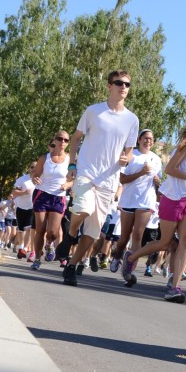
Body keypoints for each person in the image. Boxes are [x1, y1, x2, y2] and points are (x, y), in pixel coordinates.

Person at [58, 70, 139, 286]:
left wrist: (126, 158)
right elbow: (75, 139)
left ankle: (72, 266)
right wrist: (72, 164)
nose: (124, 87)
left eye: (127, 84)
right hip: (86, 171)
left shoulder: (132, 119)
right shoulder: (94, 111)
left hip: (109, 180)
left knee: (94, 232)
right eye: (119, 83)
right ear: (109, 86)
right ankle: (70, 234)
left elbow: (130, 151)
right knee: (83, 209)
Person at [122, 117, 186, 303]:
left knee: (185, 242)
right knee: (165, 242)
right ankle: (131, 257)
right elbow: (170, 169)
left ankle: (174, 287)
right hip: (172, 198)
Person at [109, 130, 162, 272]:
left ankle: (129, 268)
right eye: (145, 138)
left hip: (146, 201)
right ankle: (117, 257)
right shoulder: (131, 156)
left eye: (151, 139)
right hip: (128, 200)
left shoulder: (157, 159)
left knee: (138, 234)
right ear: (139, 139)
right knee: (124, 237)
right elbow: (122, 179)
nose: (148, 141)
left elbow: (159, 183)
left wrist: (158, 182)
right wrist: (141, 173)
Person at [30, 133, 73, 269]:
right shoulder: (45, 158)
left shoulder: (70, 159)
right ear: (54, 140)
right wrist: (35, 179)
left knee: (53, 233)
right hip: (42, 195)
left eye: (66, 140)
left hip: (58, 197)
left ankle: (49, 244)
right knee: (40, 229)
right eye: (60, 139)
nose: (62, 142)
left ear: (68, 143)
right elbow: (35, 175)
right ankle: (37, 258)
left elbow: (73, 179)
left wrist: (67, 185)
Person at [11, 163, 37, 260]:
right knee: (20, 230)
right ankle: (21, 247)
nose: (34, 169)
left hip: (31, 207)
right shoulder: (22, 179)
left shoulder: (40, 180)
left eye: (36, 167)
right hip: (20, 206)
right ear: (29, 168)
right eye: (32, 167)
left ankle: (25, 249)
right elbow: (14, 192)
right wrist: (24, 192)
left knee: (29, 229)